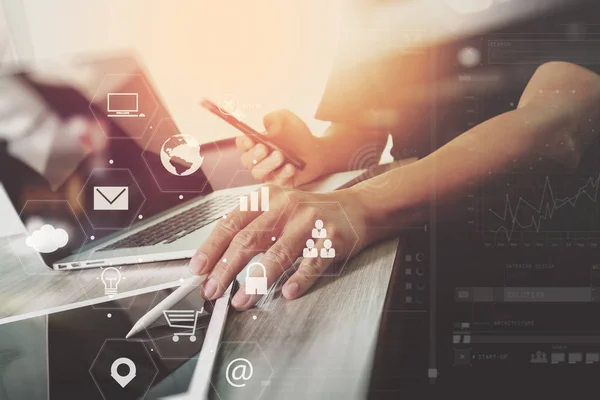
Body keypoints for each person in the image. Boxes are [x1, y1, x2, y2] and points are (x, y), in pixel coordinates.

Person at [189, 0, 600, 310]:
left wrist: (364, 204)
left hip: (532, 261)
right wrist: (315, 152)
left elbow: (556, 126)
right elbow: (359, 130)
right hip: (410, 253)